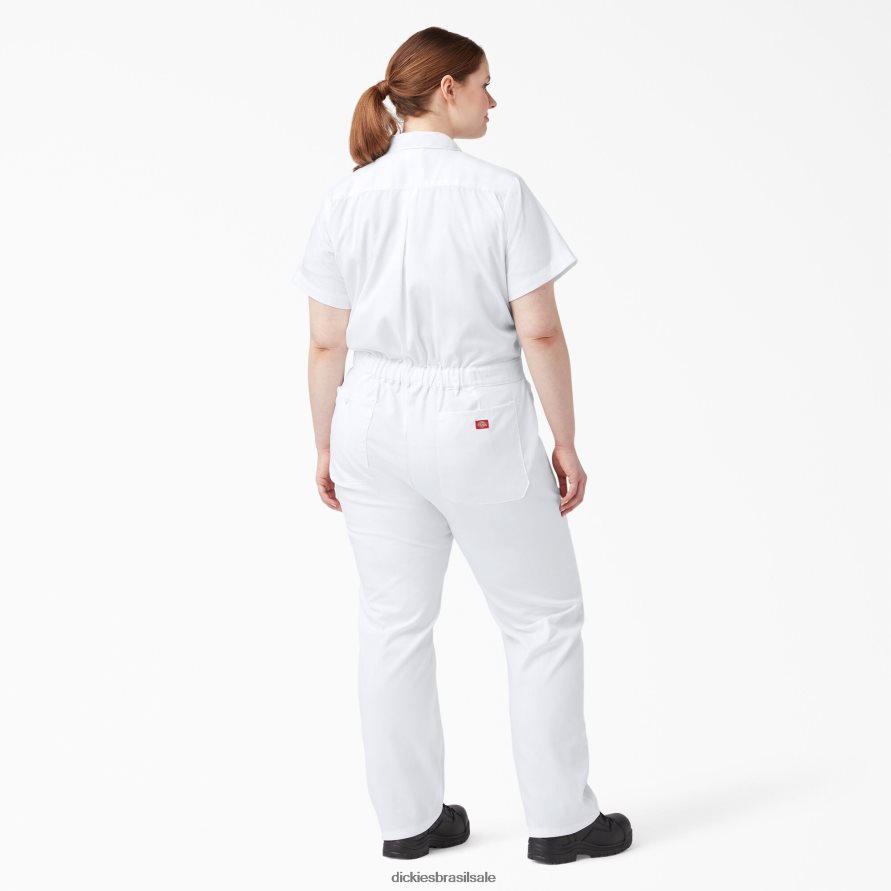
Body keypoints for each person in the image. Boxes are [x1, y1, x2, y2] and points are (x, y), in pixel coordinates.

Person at [291, 26, 632, 865]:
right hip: (477, 418)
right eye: (483, 83)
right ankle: (560, 821)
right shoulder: (498, 193)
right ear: (445, 90)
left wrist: (326, 443)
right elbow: (540, 331)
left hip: (368, 421)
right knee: (541, 620)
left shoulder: (345, 200)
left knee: (392, 624)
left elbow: (326, 344)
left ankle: (409, 822)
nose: (491, 99)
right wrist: (565, 439)